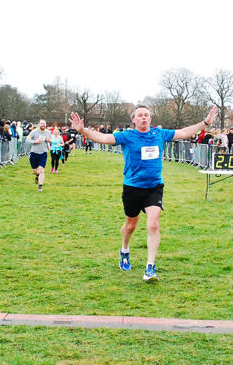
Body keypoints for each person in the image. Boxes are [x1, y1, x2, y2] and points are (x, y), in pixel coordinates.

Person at [69, 104, 218, 282]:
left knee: (153, 224)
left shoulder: (159, 134)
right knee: (131, 225)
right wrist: (83, 131)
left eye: (146, 115)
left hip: (154, 187)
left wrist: (205, 122)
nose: (144, 118)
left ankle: (150, 267)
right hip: (132, 187)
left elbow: (184, 132)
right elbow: (103, 138)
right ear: (133, 119)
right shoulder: (127, 136)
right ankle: (124, 249)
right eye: (140, 115)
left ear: (150, 118)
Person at [26, 119, 51, 192]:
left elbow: (50, 140)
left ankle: (40, 187)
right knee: (35, 171)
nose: (43, 125)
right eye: (41, 123)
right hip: (34, 153)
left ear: (45, 125)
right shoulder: (34, 132)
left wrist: (49, 141)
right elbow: (27, 140)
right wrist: (35, 141)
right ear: (39, 124)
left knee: (41, 170)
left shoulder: (48, 132)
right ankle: (37, 175)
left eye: (44, 123)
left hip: (43, 153)